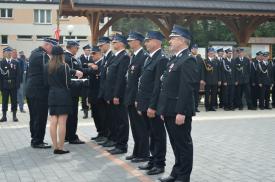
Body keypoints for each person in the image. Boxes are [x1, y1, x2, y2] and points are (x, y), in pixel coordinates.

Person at [157, 24, 196, 182]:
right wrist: (162, 110)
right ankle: (176, 172)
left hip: (179, 111)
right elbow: (166, 87)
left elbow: (186, 89)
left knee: (183, 144)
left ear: (181, 40)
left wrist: (181, 112)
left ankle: (184, 176)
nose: (170, 41)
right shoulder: (174, 59)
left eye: (172, 38)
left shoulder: (188, 60)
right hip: (169, 110)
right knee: (175, 144)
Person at [137, 31, 168, 175]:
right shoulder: (149, 58)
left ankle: (159, 164)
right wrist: (140, 101)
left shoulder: (161, 59)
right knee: (150, 134)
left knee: (158, 135)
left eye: (148, 40)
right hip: (145, 103)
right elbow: (143, 82)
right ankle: (152, 160)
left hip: (152, 105)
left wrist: (152, 106)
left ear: (156, 41)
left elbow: (158, 86)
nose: (146, 43)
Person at [26, 38, 58, 148]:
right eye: (53, 48)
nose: (53, 51)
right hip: (39, 91)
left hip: (32, 90)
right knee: (40, 116)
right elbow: (47, 73)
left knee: (34, 116)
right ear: (48, 46)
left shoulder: (35, 53)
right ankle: (38, 141)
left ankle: (34, 138)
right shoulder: (42, 56)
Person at [124, 32, 149, 162]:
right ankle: (137, 152)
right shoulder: (134, 56)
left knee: (141, 128)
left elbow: (141, 81)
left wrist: (137, 99)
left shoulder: (144, 56)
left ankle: (144, 154)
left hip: (136, 99)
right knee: (134, 127)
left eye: (131, 40)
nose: (129, 42)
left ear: (138, 41)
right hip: (130, 97)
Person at [104, 34, 130, 155]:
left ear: (122, 43)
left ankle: (122, 145)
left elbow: (120, 78)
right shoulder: (115, 56)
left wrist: (116, 95)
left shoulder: (124, 57)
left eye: (115, 42)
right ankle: (117, 143)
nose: (113, 44)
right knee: (116, 120)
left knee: (121, 121)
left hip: (119, 95)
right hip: (112, 94)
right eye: (112, 42)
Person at [45, 46, 71, 154]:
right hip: (63, 95)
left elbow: (45, 83)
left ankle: (55, 146)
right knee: (62, 122)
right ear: (61, 55)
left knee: (53, 121)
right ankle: (61, 147)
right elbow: (67, 83)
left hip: (52, 94)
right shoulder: (64, 66)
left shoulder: (46, 66)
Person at [94, 37, 115, 146]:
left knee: (111, 118)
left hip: (109, 93)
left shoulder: (112, 57)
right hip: (103, 93)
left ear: (108, 44)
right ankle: (108, 137)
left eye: (101, 45)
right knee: (106, 117)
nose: (100, 47)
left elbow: (112, 78)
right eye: (99, 46)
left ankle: (112, 137)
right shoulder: (105, 58)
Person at [64, 40, 85, 144]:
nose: (77, 50)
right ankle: (72, 136)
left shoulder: (69, 57)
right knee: (72, 115)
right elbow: (72, 73)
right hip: (72, 90)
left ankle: (67, 135)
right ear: (71, 47)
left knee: (69, 114)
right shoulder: (68, 58)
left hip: (70, 90)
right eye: (76, 47)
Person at [87, 46, 105, 144]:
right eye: (91, 54)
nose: (92, 56)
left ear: (99, 53)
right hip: (93, 94)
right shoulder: (94, 64)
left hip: (99, 95)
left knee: (102, 115)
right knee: (95, 115)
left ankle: (104, 133)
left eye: (94, 53)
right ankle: (100, 132)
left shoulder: (102, 63)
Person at [0, 47, 20, 122]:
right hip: (4, 85)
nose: (8, 53)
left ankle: (14, 116)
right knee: (4, 101)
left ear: (11, 53)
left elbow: (18, 75)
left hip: (13, 84)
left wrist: (17, 85)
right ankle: (4, 116)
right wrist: (1, 86)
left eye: (10, 52)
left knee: (14, 101)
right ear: (4, 53)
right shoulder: (1, 63)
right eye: (7, 52)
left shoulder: (15, 63)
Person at [79, 44, 92, 119]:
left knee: (92, 96)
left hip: (91, 80)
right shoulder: (80, 58)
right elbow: (80, 68)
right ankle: (85, 112)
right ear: (84, 50)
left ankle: (93, 112)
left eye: (89, 50)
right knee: (84, 97)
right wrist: (88, 65)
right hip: (84, 80)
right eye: (87, 50)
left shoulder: (92, 57)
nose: (88, 52)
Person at [190, 44, 203, 112]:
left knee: (196, 94)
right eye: (194, 49)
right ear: (191, 49)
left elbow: (202, 70)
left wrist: (201, 79)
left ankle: (195, 107)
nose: (195, 50)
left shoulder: (199, 58)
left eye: (196, 49)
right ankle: (190, 107)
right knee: (190, 94)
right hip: (190, 79)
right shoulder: (188, 57)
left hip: (197, 80)